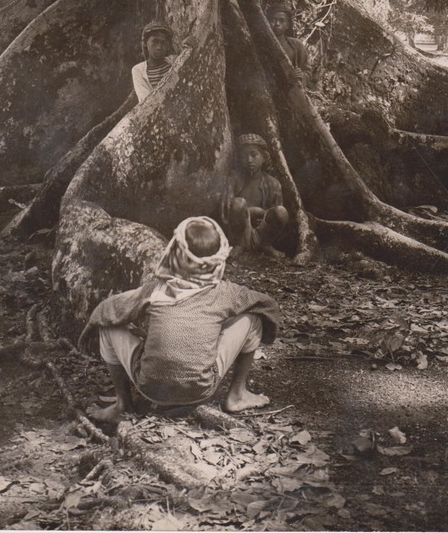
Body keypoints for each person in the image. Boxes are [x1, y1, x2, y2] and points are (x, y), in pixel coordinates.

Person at [81, 216, 280, 422]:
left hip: (149, 388)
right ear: (219, 258)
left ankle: (122, 404)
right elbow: (267, 304)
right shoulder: (226, 293)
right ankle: (237, 394)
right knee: (252, 318)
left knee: (107, 325)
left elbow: (108, 309)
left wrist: (90, 327)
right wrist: (265, 330)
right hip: (201, 390)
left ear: (176, 252)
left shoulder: (155, 290)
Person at [223, 134, 291, 254]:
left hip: (261, 232)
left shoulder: (273, 183)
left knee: (282, 211)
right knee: (239, 202)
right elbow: (227, 209)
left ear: (264, 157)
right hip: (239, 232)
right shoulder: (233, 178)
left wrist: (263, 214)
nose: (249, 160)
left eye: (254, 155)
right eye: (244, 156)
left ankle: (266, 245)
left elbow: (276, 213)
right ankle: (238, 245)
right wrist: (254, 211)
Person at [131, 22, 176, 103]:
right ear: (145, 43)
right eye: (155, 41)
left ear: (169, 46)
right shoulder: (138, 70)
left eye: (164, 43)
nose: (159, 47)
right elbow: (146, 101)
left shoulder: (174, 62)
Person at [266, 3, 310, 83]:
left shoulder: (296, 45)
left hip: (287, 90)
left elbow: (307, 72)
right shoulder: (260, 43)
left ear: (287, 25)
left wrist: (300, 75)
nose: (277, 24)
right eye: (273, 20)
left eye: (282, 21)